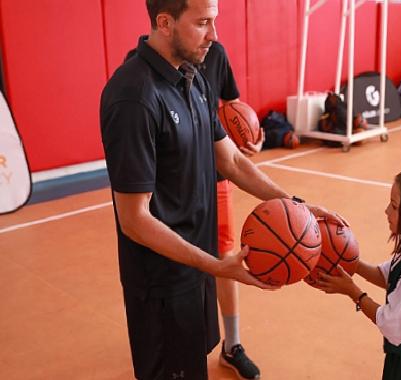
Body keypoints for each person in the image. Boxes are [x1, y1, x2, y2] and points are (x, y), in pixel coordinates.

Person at [100, 1, 343, 378]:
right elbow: (134, 220)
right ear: (164, 23)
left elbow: (231, 162)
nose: (214, 36)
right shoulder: (134, 97)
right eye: (202, 24)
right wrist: (215, 265)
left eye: (214, 22)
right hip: (162, 285)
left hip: (193, 268)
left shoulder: (191, 78)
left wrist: (297, 206)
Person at [317, 168, 401, 380]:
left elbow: (391, 326)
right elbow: (386, 276)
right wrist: (347, 261)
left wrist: (353, 292)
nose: (386, 211)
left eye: (394, 206)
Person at [201, 42, 263, 379]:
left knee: (226, 258)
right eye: (202, 21)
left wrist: (251, 132)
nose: (210, 31)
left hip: (216, 173)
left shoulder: (216, 52)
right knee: (177, 261)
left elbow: (233, 104)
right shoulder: (152, 65)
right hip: (175, 182)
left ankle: (232, 345)